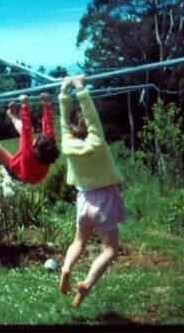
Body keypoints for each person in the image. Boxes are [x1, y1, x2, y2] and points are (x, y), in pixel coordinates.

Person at [57, 75, 126, 308]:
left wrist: (64, 93)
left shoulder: (67, 144)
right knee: (110, 248)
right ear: (88, 127)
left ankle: (66, 268)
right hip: (104, 199)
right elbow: (93, 118)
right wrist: (80, 88)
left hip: (84, 200)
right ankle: (86, 283)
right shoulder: (96, 142)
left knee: (78, 241)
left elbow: (63, 123)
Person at [0, 93, 59, 184]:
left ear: (36, 150)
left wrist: (24, 106)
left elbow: (26, 131)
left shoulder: (28, 156)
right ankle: (12, 115)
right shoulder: (49, 147)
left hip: (16, 173)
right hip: (32, 171)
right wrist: (47, 104)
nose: (34, 141)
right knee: (29, 135)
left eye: (35, 143)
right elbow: (48, 126)